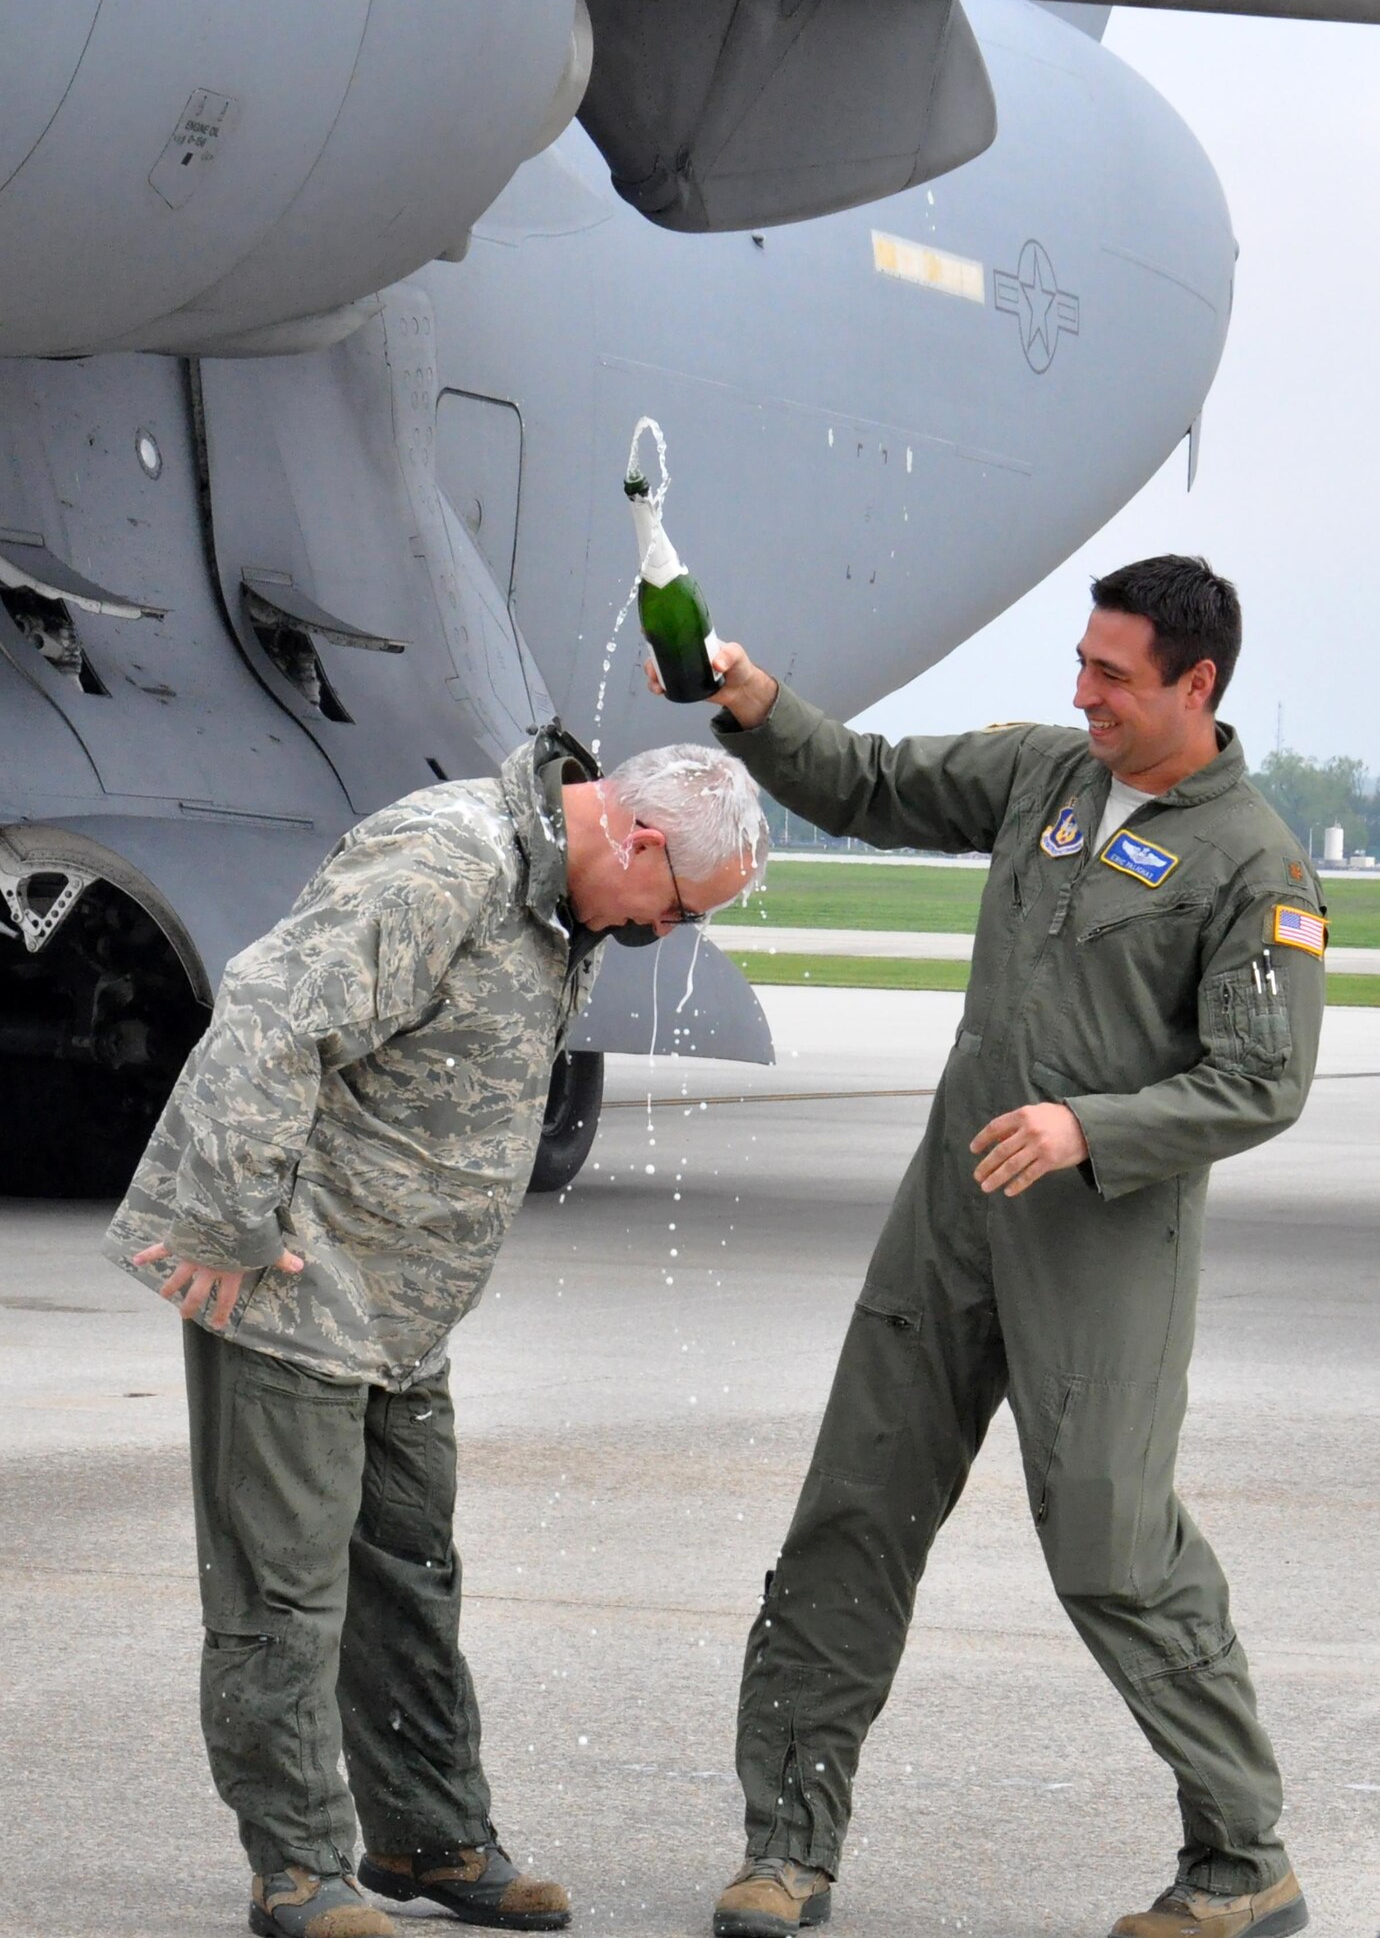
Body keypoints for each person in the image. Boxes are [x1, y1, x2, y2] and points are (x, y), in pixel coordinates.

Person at [667, 559, 1324, 1938]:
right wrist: (756, 702)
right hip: (953, 1222)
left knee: (1111, 1548)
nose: (1080, 693)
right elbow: (868, 783)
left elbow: (1261, 1081)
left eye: (1114, 676)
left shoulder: (1254, 862)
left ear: (1196, 687)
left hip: (1101, 1253)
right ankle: (788, 1847)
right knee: (852, 1515)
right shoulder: (1045, 778)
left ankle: (1240, 1858)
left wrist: (1092, 1127)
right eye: (1080, 663)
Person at [104, 724, 768, 1938]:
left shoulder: (558, 897)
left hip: (404, 1310)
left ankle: (427, 1834)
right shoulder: (446, 860)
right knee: (284, 1588)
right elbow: (269, 1011)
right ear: (637, 834)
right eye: (677, 909)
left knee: (412, 1576)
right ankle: (299, 1864)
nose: (665, 936)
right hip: (298, 1279)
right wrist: (224, 1216)